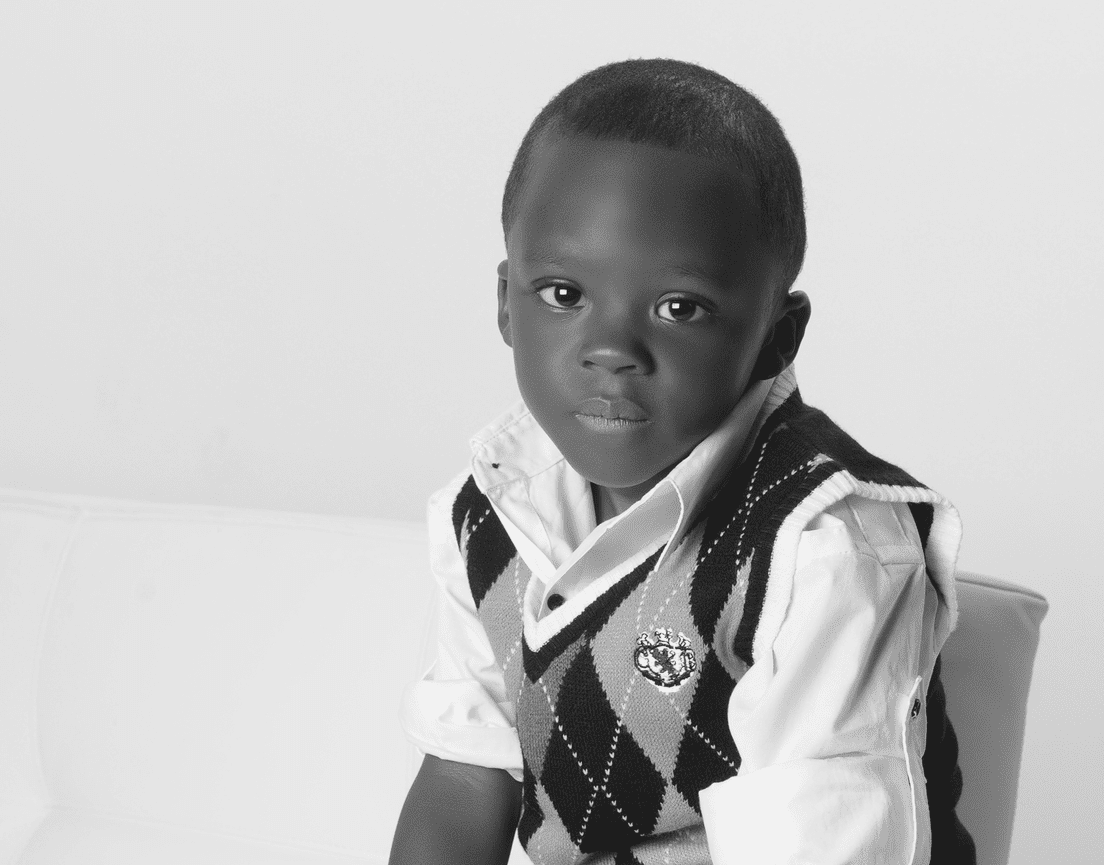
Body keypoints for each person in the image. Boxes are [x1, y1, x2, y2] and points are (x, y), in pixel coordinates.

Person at [390, 58, 974, 865]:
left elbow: (818, 849)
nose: (611, 350)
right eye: (564, 294)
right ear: (504, 305)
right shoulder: (488, 508)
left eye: (680, 307)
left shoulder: (821, 544)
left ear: (779, 334)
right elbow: (466, 770)